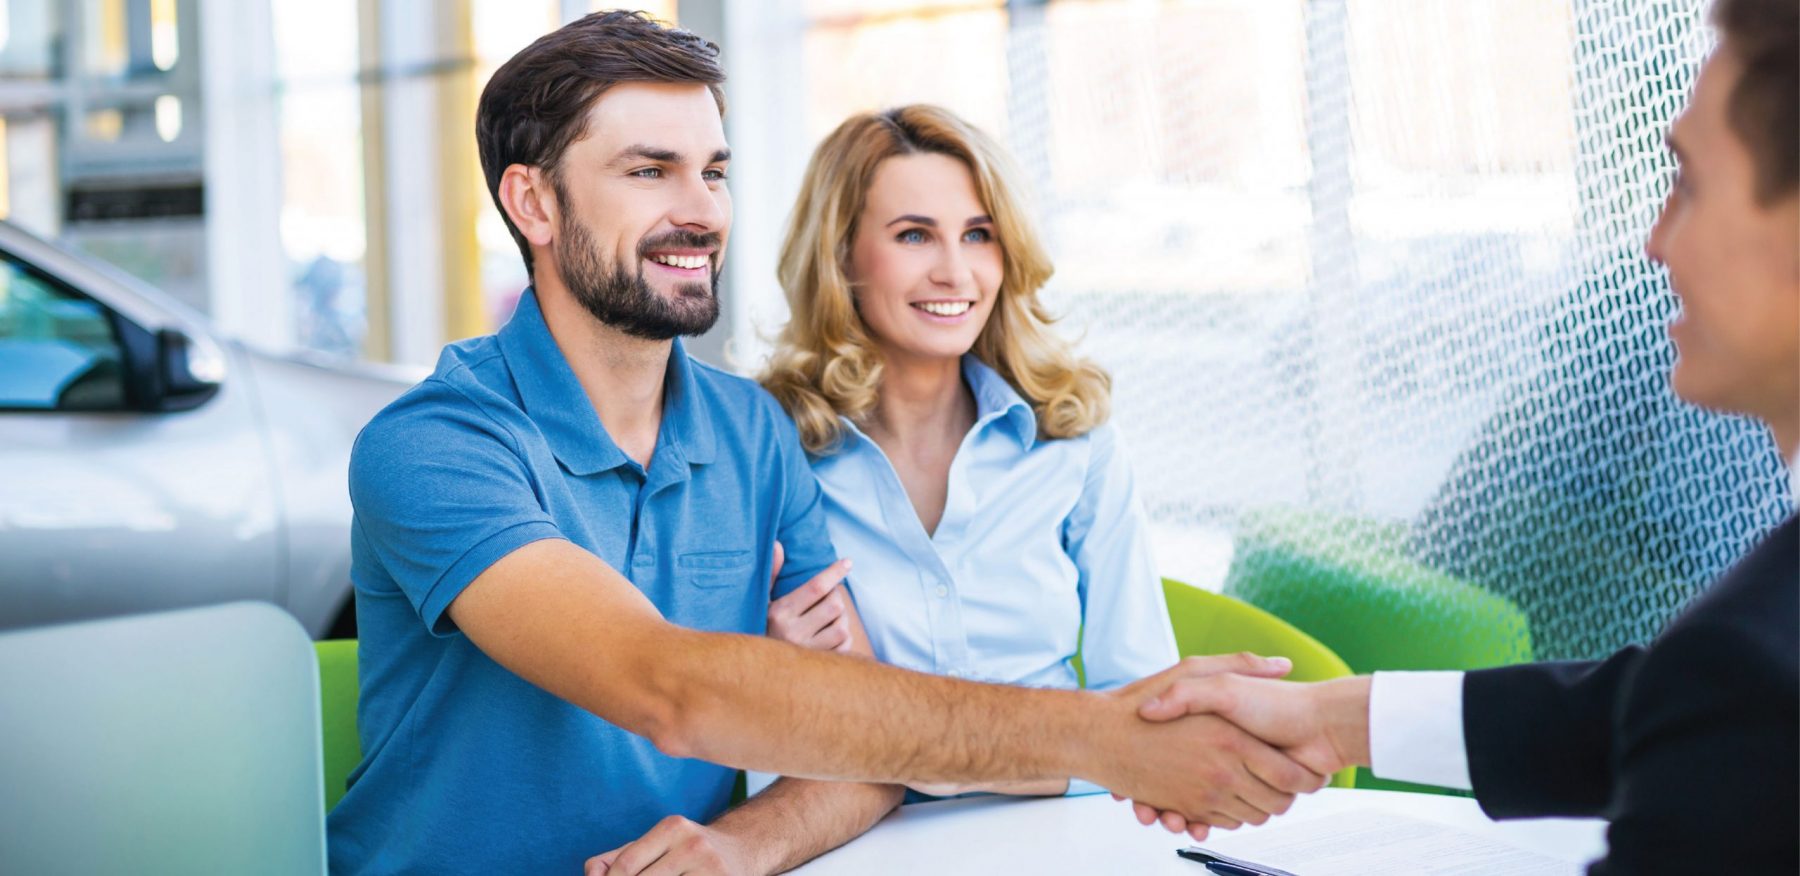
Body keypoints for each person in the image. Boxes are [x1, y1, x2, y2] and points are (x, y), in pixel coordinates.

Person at [327, 12, 1322, 875]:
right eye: (649, 171)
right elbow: (664, 685)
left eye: (712, 171)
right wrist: (1104, 739)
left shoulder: (752, 431)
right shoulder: (434, 447)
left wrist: (748, 841)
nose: (701, 210)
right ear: (533, 203)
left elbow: (861, 752)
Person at [1125, 1, 1798, 871]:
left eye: (1691, 184)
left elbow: (1725, 710)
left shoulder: (1752, 667)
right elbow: (1670, 711)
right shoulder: (1742, 671)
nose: (1653, 244)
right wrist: (1332, 720)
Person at [606, 103, 1182, 868]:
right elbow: (709, 701)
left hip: (1061, 836)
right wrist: (770, 666)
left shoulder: (1072, 441)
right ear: (842, 255)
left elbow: (1146, 715)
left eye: (979, 234)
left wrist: (870, 727)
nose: (955, 270)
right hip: (853, 842)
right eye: (915, 235)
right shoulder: (767, 447)